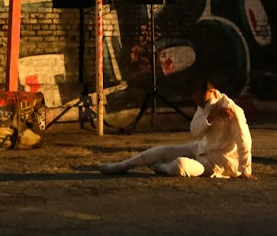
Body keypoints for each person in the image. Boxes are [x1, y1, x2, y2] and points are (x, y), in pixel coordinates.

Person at [99, 76, 253, 178]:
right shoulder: (204, 105)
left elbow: (244, 139)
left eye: (201, 100)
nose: (199, 104)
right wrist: (210, 117)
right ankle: (121, 166)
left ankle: (161, 167)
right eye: (197, 101)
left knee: (180, 165)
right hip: (202, 147)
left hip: (220, 162)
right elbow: (194, 131)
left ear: (212, 93)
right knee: (162, 150)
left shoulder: (231, 109)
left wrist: (246, 170)